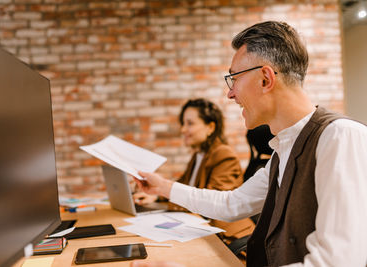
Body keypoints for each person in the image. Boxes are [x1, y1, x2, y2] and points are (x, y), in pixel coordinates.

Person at [131, 21, 367, 267]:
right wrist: (164, 187)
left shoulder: (340, 138)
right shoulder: (283, 150)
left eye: (234, 79)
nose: (230, 94)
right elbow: (231, 204)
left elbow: (338, 262)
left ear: (265, 79)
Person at [133, 98, 255, 241]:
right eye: (183, 123)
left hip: (226, 236)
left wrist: (167, 194)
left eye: (189, 123)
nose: (183, 129)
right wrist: (156, 194)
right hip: (203, 228)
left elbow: (213, 203)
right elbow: (184, 184)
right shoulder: (199, 155)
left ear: (210, 127)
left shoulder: (223, 155)